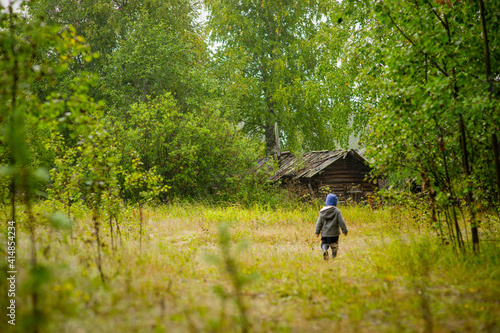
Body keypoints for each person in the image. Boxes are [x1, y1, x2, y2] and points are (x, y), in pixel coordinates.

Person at [314, 193, 348, 260]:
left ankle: (325, 250)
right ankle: (334, 256)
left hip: (325, 234)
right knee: (334, 245)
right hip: (334, 234)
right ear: (335, 202)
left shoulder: (322, 212)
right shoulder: (337, 211)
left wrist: (317, 232)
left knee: (324, 243)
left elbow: (319, 223)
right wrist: (344, 230)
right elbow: (341, 222)